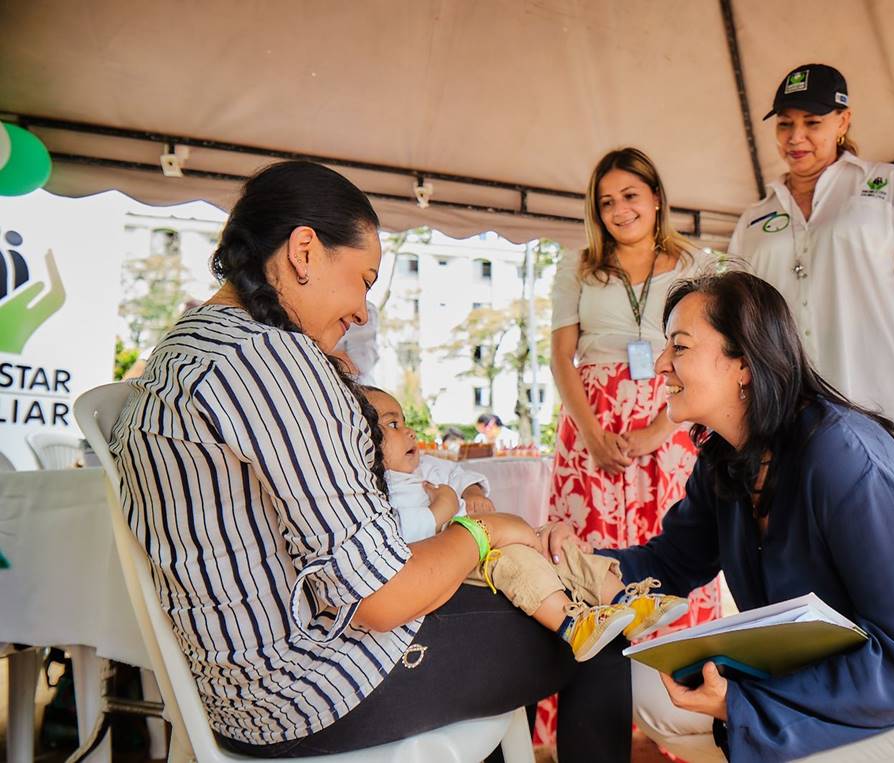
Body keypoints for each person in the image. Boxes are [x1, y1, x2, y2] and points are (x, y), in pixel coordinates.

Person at [109, 161, 632, 760]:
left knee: (514, 609)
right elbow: (382, 600)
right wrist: (486, 531)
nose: (362, 311)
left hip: (244, 688)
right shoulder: (272, 360)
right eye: (363, 278)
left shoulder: (189, 342)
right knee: (601, 631)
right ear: (304, 250)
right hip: (318, 687)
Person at [541, 271, 894, 760]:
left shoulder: (844, 457)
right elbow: (668, 564)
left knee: (772, 740)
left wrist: (752, 708)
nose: (659, 366)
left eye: (679, 346)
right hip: (872, 678)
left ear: (744, 362)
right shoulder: (726, 457)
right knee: (655, 694)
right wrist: (570, 562)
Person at [362, 386, 690, 661]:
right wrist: (444, 505)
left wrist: (472, 491)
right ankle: (573, 623)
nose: (408, 430)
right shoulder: (378, 489)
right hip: (459, 560)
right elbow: (407, 540)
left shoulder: (426, 466)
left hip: (489, 536)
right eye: (392, 425)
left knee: (558, 549)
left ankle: (628, 601)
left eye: (404, 421)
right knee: (517, 563)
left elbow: (461, 475)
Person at [727, 63, 894, 456]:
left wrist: (883, 348)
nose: (796, 137)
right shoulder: (754, 218)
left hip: (874, 400)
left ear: (843, 121)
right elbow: (738, 309)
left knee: (875, 508)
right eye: (784, 125)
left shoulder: (885, 187)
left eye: (812, 123)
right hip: (784, 404)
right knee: (791, 508)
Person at [548, 146, 721, 623]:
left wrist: (659, 430)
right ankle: (595, 677)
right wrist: (589, 435)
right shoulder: (578, 264)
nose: (619, 211)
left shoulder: (695, 263)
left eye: (630, 195)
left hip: (674, 412)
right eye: (606, 202)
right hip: (592, 417)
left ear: (657, 198)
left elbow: (707, 353)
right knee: (591, 549)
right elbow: (561, 356)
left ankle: (675, 676)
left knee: (676, 542)